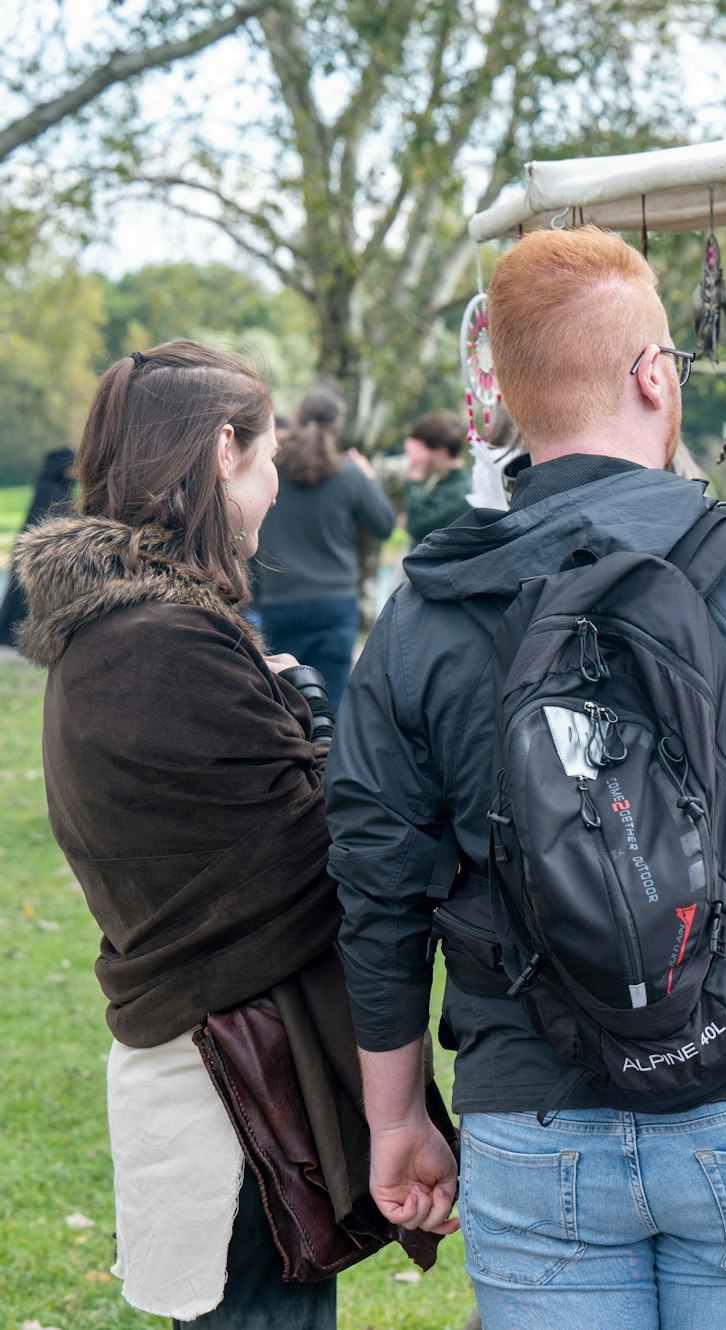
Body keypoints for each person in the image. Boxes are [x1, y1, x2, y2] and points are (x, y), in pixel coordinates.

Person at [326, 226, 726, 1327]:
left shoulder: (424, 616)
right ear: (655, 374)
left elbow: (377, 886)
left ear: (512, 397)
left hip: (533, 1107)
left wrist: (395, 1116)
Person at [11, 342, 435, 1327]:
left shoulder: (142, 630)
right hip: (233, 1086)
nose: (279, 487)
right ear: (221, 449)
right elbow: (305, 864)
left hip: (230, 1066)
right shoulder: (156, 643)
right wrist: (346, 756)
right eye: (269, 457)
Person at [252, 387, 395, 709]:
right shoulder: (350, 474)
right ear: (337, 426)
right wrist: (369, 477)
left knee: (285, 702)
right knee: (330, 701)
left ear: (299, 419)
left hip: (280, 600)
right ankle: (328, 760)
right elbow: (383, 525)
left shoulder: (273, 470)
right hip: (334, 603)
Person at [0, 446, 75, 650]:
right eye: (71, 465)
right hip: (37, 552)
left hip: (41, 551)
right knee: (24, 596)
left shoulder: (61, 489)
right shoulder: (50, 490)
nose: (75, 470)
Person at [402, 410, 472, 543]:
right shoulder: (447, 482)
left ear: (441, 452)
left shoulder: (460, 491)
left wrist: (415, 472)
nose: (413, 457)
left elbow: (417, 526)